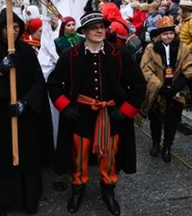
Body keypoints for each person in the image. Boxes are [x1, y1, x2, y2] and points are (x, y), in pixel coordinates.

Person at [47, 11, 146, 215]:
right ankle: (77, 187)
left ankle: (108, 190)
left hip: (112, 115)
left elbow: (138, 85)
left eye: (102, 26)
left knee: (109, 156)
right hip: (80, 115)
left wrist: (125, 111)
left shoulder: (119, 53)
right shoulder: (70, 55)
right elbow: (54, 84)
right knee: (79, 156)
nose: (100, 30)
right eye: (94, 27)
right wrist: (66, 108)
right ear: (84, 31)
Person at [0, 9, 53, 216]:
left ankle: (28, 200)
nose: (14, 31)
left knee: (26, 156)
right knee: (1, 157)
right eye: (10, 27)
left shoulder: (26, 51)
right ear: (1, 28)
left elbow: (38, 82)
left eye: (18, 27)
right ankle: (2, 201)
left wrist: (24, 102)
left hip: (23, 116)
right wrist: (0, 70)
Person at [139, 16, 192, 163]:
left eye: (170, 33)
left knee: (172, 121)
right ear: (159, 35)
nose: (168, 36)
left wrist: (177, 86)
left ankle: (167, 146)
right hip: (157, 91)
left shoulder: (182, 47)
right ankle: (156, 143)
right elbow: (146, 70)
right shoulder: (151, 49)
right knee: (155, 119)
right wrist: (160, 87)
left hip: (176, 91)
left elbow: (189, 67)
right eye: (164, 34)